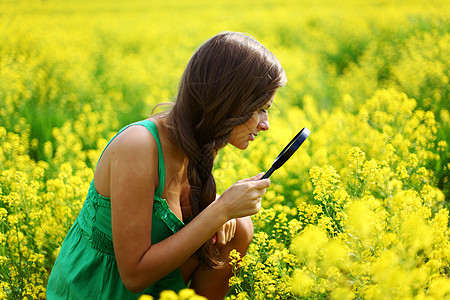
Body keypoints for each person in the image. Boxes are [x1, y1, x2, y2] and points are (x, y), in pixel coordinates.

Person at [46, 31, 287, 299]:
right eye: (260, 109)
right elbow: (134, 277)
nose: (265, 125)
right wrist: (220, 211)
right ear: (229, 102)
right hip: (101, 290)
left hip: (155, 287)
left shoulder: (199, 143)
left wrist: (223, 209)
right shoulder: (138, 145)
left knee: (239, 226)